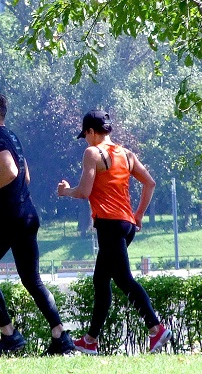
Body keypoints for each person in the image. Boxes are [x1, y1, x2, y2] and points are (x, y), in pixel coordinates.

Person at [0, 91, 75, 355]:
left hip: (8, 218)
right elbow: (24, 177)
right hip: (27, 215)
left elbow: (12, 172)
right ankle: (61, 338)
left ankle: (9, 334)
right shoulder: (11, 137)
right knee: (31, 279)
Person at [57, 109, 171, 354]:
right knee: (101, 280)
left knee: (123, 278)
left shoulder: (92, 153)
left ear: (90, 132)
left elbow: (85, 192)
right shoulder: (126, 154)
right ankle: (90, 340)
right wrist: (138, 215)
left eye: (85, 135)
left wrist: (65, 191)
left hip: (109, 225)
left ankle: (155, 328)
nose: (85, 140)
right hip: (126, 224)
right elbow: (150, 183)